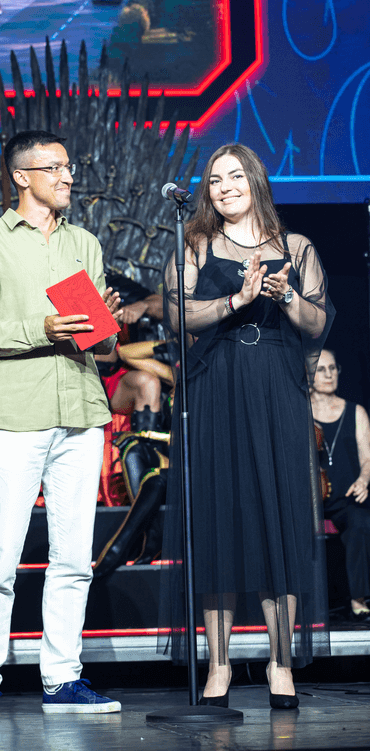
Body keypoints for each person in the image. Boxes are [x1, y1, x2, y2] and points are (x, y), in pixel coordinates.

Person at [159, 143, 333, 710]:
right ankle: (219, 665)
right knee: (218, 522)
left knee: (279, 521)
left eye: (235, 176)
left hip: (277, 388)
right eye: (215, 179)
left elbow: (317, 322)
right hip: (216, 385)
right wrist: (238, 299)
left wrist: (285, 296)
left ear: (256, 180)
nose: (225, 187)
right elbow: (177, 312)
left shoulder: (295, 247)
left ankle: (281, 663)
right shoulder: (194, 244)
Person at [0, 130, 123, 717]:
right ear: (21, 176)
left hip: (81, 411)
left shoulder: (84, 243)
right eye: (53, 168)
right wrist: (41, 329)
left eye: (68, 167)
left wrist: (108, 329)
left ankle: (63, 678)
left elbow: (100, 344)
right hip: (16, 415)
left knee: (73, 558)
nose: (67, 177)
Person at [310, 348, 370, 620]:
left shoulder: (355, 411)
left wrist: (363, 479)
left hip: (346, 497)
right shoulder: (300, 411)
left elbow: (366, 457)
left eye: (333, 368)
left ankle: (358, 599)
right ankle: (303, 604)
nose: (329, 374)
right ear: (309, 375)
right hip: (309, 500)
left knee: (360, 522)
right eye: (322, 369)